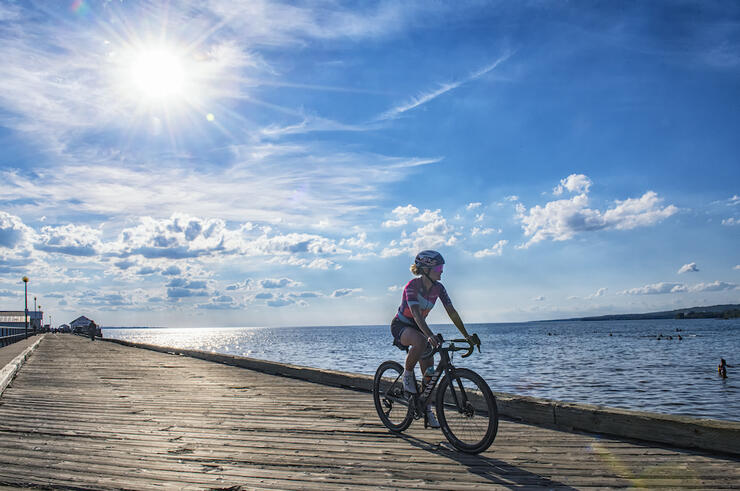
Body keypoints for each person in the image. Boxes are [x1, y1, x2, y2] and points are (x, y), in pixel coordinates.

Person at [390, 250, 474, 428]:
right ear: (426, 269)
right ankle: (407, 374)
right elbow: (416, 315)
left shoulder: (439, 288)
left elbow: (452, 312)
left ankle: (426, 409)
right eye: (439, 267)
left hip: (420, 329)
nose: (442, 271)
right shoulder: (412, 286)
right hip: (402, 326)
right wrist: (429, 335)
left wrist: (466, 335)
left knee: (429, 374)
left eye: (442, 267)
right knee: (421, 341)